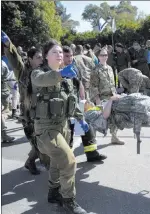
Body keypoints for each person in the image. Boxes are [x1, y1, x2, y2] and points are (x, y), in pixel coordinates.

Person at [30, 39, 89, 213]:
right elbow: (42, 80)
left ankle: (53, 192)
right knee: (69, 161)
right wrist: (61, 74)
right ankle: (68, 200)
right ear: (46, 57)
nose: (59, 55)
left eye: (61, 52)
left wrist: (80, 118)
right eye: (54, 52)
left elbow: (71, 100)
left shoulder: (67, 77)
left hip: (63, 126)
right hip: (47, 129)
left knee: (58, 162)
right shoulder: (38, 74)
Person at [2, 31, 50, 174]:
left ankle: (39, 161)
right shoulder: (22, 71)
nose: (41, 59)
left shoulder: (44, 71)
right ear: (29, 59)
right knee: (37, 141)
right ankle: (30, 162)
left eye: (42, 57)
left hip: (42, 112)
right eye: (38, 57)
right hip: (29, 114)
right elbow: (14, 58)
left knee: (44, 140)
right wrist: (8, 44)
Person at [62, 46, 106, 162]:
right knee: (69, 133)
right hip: (64, 108)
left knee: (86, 128)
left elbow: (79, 82)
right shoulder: (58, 71)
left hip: (76, 104)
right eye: (67, 56)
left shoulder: (74, 67)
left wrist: (84, 98)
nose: (70, 58)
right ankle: (32, 160)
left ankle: (92, 154)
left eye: (71, 55)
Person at [89, 48, 125, 145]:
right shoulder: (95, 70)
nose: (104, 57)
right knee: (98, 118)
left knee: (114, 117)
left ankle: (114, 137)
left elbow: (112, 84)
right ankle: (92, 138)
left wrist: (116, 94)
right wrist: (97, 100)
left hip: (112, 97)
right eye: (102, 55)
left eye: (105, 55)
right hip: (101, 98)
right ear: (98, 56)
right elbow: (93, 86)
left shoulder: (109, 68)